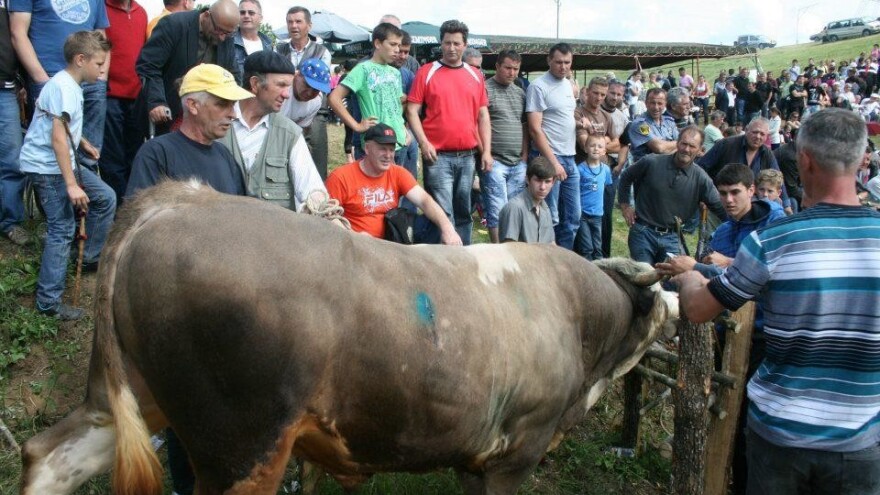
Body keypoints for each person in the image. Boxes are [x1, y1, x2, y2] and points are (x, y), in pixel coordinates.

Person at [674, 108, 880, 495]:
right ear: (861, 159)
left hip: (781, 435)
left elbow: (700, 309)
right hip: (860, 438)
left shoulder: (774, 241)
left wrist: (689, 276)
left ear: (803, 160)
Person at [19, 31, 115, 320]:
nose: (102, 69)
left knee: (105, 198)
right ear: (80, 59)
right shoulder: (63, 87)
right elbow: (57, 139)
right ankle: (48, 302)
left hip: (62, 162)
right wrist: (72, 185)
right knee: (61, 228)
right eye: (99, 63)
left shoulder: (69, 85)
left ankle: (83, 258)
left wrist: (83, 142)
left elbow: (60, 126)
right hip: (49, 168)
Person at [406, 19, 490, 246]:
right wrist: (423, 142)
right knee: (442, 212)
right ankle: (442, 261)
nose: (451, 48)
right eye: (447, 43)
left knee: (464, 211)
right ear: (440, 43)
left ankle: (463, 259)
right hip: (438, 156)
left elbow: (483, 116)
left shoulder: (475, 75)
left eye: (456, 43)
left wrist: (487, 151)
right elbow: (412, 111)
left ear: (465, 45)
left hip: (467, 155)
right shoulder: (427, 72)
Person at [218, 51, 325, 211]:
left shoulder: (290, 133)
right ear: (255, 84)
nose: (287, 94)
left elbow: (312, 190)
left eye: (288, 86)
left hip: (273, 234)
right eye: (281, 85)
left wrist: (327, 211)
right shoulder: (216, 125)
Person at [11, 0, 110, 170]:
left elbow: (100, 35)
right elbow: (17, 32)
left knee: (91, 155)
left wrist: (102, 75)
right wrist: (41, 79)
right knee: (52, 154)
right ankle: (60, 195)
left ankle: (86, 193)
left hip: (91, 80)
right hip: (50, 76)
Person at [127, 63, 252, 198]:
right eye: (222, 104)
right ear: (193, 105)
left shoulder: (224, 155)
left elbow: (243, 209)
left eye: (233, 105)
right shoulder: (157, 152)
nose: (233, 115)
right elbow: (138, 213)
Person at [325, 123, 462, 245]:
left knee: (436, 222)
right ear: (367, 148)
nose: (388, 155)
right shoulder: (340, 177)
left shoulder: (397, 172)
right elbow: (327, 218)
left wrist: (448, 228)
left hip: (392, 242)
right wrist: (352, 237)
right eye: (382, 149)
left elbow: (425, 201)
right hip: (357, 246)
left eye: (391, 149)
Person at [618, 126, 725, 265]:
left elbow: (720, 208)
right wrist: (625, 206)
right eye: (683, 143)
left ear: (700, 150)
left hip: (673, 238)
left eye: (692, 146)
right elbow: (626, 177)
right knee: (642, 278)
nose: (686, 149)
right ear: (677, 143)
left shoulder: (702, 179)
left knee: (671, 282)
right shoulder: (651, 162)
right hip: (643, 232)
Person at [656, 164, 784, 279]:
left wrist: (729, 262)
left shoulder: (773, 222)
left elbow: (780, 269)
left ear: (751, 190)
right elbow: (712, 278)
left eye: (735, 192)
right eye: (723, 193)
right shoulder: (720, 233)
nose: (728, 199)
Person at [136, 0, 240, 136]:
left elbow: (234, 74)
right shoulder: (173, 25)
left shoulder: (226, 36)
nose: (222, 38)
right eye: (219, 30)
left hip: (201, 121)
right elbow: (148, 65)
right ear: (207, 15)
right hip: (165, 113)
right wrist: (157, 101)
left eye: (228, 33)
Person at [525, 42, 579, 249]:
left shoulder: (568, 84)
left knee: (573, 217)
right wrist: (553, 163)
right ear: (549, 60)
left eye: (567, 63)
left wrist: (580, 121)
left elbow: (563, 113)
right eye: (558, 62)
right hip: (549, 157)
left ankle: (565, 260)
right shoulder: (539, 86)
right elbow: (535, 129)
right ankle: (546, 260)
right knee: (550, 217)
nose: (563, 67)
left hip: (570, 156)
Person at [328, 22, 405, 160]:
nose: (397, 49)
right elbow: (334, 98)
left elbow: (396, 106)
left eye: (399, 45)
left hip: (399, 142)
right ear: (377, 43)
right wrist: (356, 126)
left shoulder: (395, 73)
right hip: (376, 144)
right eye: (393, 44)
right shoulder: (363, 69)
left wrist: (405, 129)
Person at [100, 0, 148, 205]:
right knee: (112, 159)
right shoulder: (101, 9)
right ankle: (117, 211)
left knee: (135, 155)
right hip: (110, 95)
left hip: (136, 96)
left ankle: (133, 208)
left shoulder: (141, 12)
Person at [276, 6, 332, 179]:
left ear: (309, 25)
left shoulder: (322, 51)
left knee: (315, 157)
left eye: (298, 21)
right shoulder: (278, 49)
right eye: (290, 22)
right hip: (281, 104)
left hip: (313, 109)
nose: (294, 26)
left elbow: (321, 83)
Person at [698, 117, 793, 213]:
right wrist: (706, 194)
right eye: (755, 132)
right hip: (722, 201)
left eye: (762, 134)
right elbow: (701, 168)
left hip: (749, 206)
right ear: (746, 130)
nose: (758, 136)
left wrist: (786, 205)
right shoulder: (726, 144)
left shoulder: (766, 153)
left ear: (766, 137)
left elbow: (778, 179)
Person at [482, 49, 527, 243]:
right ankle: (497, 250)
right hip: (495, 161)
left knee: (514, 210)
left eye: (516, 69)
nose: (512, 73)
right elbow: (478, 123)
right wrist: (485, 153)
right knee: (496, 210)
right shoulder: (484, 89)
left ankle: (512, 249)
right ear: (497, 66)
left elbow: (524, 125)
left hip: (517, 162)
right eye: (508, 67)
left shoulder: (520, 92)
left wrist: (524, 156)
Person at [0, 1, 27, 245]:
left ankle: (10, 222)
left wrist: (22, 82)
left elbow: (18, 37)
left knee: (12, 160)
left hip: (6, 89)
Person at [498, 156, 555, 244]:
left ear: (553, 183)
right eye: (538, 180)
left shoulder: (545, 209)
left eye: (547, 181)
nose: (543, 187)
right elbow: (509, 247)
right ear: (527, 179)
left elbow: (551, 245)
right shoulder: (514, 208)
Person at [574, 134, 612, 260]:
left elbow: (606, 185)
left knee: (598, 246)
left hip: (597, 215)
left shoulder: (606, 170)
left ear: (604, 151)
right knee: (586, 247)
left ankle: (600, 271)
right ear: (585, 148)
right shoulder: (580, 169)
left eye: (600, 146)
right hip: (583, 215)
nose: (596, 149)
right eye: (592, 145)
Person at [627, 88, 678, 163]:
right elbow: (659, 148)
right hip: (646, 170)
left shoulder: (669, 121)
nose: (656, 107)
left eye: (660, 103)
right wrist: (677, 146)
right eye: (652, 103)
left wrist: (677, 145)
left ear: (665, 104)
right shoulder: (640, 124)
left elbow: (682, 143)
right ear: (646, 103)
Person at [231, 0, 272, 79]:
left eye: (251, 13)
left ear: (260, 18)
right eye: (242, 13)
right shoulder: (228, 41)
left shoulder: (269, 46)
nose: (246, 16)